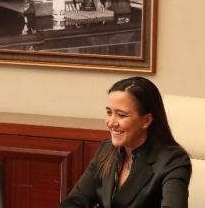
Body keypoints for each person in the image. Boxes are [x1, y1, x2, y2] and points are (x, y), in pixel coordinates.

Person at [59, 77, 191, 208]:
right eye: (109, 112)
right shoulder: (106, 148)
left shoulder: (173, 160)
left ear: (146, 120)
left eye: (121, 115)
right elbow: (76, 199)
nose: (111, 122)